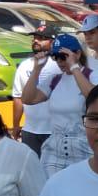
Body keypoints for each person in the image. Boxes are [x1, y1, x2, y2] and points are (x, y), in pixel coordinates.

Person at [21, 34, 94, 176]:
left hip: (83, 145)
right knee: (49, 191)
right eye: (55, 57)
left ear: (77, 53)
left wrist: (74, 68)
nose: (59, 61)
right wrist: (37, 69)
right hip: (55, 146)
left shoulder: (91, 75)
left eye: (63, 56)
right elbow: (28, 99)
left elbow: (95, 98)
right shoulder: (54, 79)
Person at [13, 26, 59, 155]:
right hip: (30, 131)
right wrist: (16, 125)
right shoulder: (24, 65)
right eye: (35, 38)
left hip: (54, 131)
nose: (36, 41)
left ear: (53, 41)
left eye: (42, 38)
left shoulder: (60, 65)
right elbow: (18, 97)